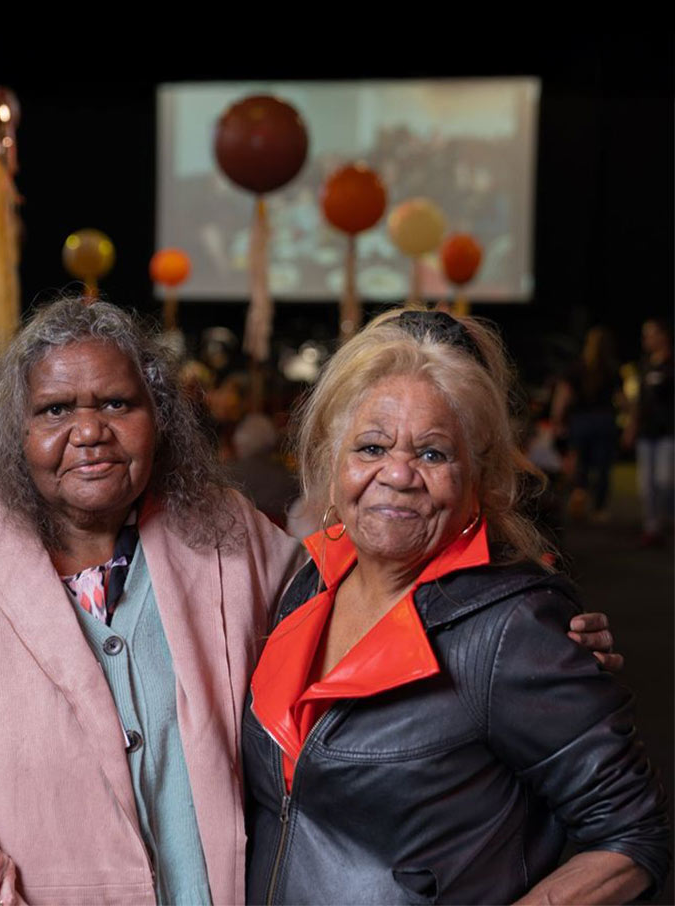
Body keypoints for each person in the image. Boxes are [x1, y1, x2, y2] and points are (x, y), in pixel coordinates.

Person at [0, 297, 627, 906]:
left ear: (158, 419)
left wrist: (543, 641)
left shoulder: (227, 536)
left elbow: (377, 587)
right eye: (55, 410)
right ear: (14, 432)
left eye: (118, 403)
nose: (88, 431)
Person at [243, 308, 669, 904]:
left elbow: (633, 835)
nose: (397, 474)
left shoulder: (515, 628)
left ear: (479, 478)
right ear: (333, 463)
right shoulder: (304, 583)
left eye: (434, 454)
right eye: (371, 446)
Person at [555, 326, 623, 521]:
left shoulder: (577, 367)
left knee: (579, 463)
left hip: (581, 420)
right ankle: (599, 508)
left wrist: (558, 419)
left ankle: (579, 496)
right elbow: (621, 398)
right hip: (604, 419)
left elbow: (564, 396)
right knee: (603, 466)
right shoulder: (611, 369)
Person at [625, 318, 674, 546]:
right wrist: (631, 427)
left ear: (663, 336)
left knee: (664, 480)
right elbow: (639, 401)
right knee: (646, 485)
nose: (646, 339)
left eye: (651, 334)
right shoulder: (644, 365)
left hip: (668, 433)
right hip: (646, 433)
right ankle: (652, 528)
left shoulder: (671, 363)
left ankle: (666, 519)